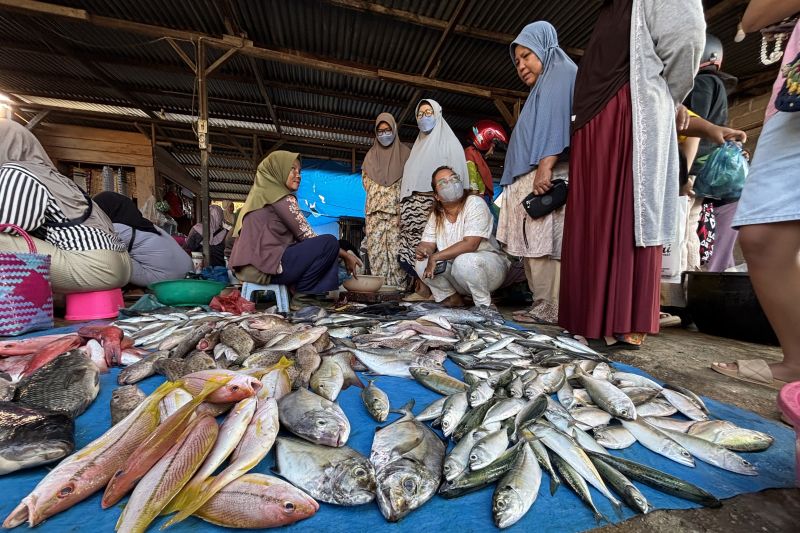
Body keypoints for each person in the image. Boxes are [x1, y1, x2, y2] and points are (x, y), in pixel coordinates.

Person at [559, 0, 705, 349]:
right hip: (593, 120)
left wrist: (665, 97)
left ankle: (623, 320)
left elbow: (687, 36)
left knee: (627, 211)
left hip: (626, 114)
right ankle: (588, 319)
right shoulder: (609, 9)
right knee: (592, 219)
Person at [713, 0, 800, 386]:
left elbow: (753, 18)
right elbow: (754, 17)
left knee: (764, 236)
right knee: (763, 237)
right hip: (793, 96)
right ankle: (797, 361)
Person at [496, 22, 577, 326]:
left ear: (544, 48)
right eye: (517, 60)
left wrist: (545, 164)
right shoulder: (543, 84)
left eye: (527, 56)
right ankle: (541, 303)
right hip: (531, 174)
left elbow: (557, 123)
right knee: (533, 244)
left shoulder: (560, 73)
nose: (521, 65)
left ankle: (550, 306)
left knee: (544, 244)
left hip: (543, 173)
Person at [0, 119, 131, 293]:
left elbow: (9, 226)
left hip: (94, 266)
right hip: (119, 265)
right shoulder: (54, 176)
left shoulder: (16, 171)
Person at [229, 151, 361, 308]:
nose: (298, 175)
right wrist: (346, 255)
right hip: (264, 269)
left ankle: (305, 295)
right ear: (278, 170)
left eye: (299, 171)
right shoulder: (282, 198)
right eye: (292, 169)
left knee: (320, 247)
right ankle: (303, 298)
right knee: (329, 243)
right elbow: (308, 236)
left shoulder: (259, 197)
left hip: (249, 269)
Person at [399, 99, 468, 298]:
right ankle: (423, 289)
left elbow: (457, 181)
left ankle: (440, 292)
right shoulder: (417, 147)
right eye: (420, 114)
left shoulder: (450, 143)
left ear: (437, 113)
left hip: (433, 204)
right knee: (416, 249)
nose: (424, 117)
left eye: (428, 112)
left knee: (433, 246)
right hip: (412, 209)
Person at [415, 166, 509, 308]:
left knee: (464, 261)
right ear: (437, 196)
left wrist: (435, 257)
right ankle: (451, 298)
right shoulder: (437, 214)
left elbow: (470, 244)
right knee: (422, 263)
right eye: (443, 182)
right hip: (457, 273)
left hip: (489, 269)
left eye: (454, 178)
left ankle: (484, 305)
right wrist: (424, 250)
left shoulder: (475, 203)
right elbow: (428, 243)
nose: (451, 183)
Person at [685, 34, 740, 272]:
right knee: (690, 222)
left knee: (683, 225)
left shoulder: (703, 83)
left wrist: (684, 172)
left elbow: (693, 127)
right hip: (703, 168)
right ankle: (687, 275)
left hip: (693, 166)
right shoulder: (717, 85)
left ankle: (680, 276)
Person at [94, 191, 193, 287]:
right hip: (188, 270)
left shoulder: (116, 229)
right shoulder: (145, 224)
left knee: (107, 257)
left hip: (167, 279)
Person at [361, 112, 410, 288]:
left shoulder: (406, 155)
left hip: (397, 214)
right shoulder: (370, 156)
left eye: (388, 130)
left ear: (394, 130)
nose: (384, 134)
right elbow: (366, 184)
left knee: (397, 255)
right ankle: (381, 292)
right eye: (380, 131)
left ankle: (399, 292)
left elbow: (410, 186)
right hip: (374, 215)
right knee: (377, 255)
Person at [464, 120, 508, 202]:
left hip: (483, 198)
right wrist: (476, 202)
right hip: (478, 199)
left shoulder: (478, 157)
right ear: (484, 141)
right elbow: (472, 182)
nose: (492, 152)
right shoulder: (470, 153)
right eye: (493, 148)